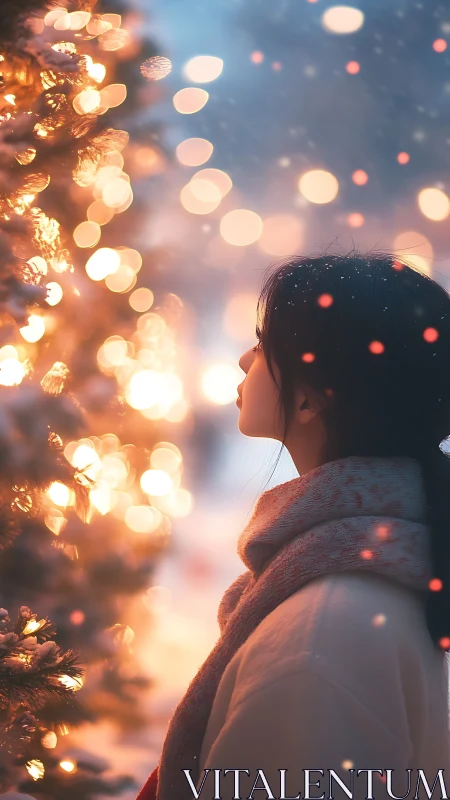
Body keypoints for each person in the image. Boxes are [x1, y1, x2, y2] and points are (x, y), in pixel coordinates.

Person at [137, 250, 450, 800]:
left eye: (262, 345)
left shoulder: (321, 634)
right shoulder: (382, 571)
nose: (241, 360)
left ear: (308, 400)